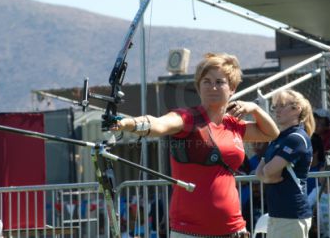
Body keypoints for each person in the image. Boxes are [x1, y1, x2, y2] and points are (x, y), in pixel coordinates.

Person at [112, 53, 280, 237]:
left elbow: (271, 134)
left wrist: (254, 109)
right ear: (198, 87)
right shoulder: (188, 117)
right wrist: (125, 123)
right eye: (206, 81)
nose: (212, 87)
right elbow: (159, 124)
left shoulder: (233, 125)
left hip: (234, 228)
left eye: (220, 82)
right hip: (190, 230)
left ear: (232, 88)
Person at [255, 89, 314, 238]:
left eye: (282, 105)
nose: (277, 110)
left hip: (292, 214)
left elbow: (267, 171)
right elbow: (260, 173)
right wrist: (267, 177)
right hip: (278, 214)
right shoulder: (278, 138)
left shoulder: (296, 138)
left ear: (296, 109)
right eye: (276, 106)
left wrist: (267, 176)